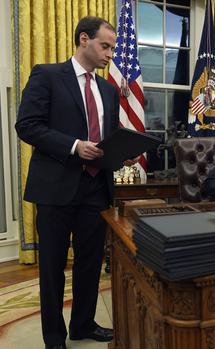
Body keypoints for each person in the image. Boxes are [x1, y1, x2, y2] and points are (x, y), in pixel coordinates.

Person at [15, 16, 132, 349]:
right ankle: (54, 337)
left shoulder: (109, 90)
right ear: (84, 39)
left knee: (91, 263)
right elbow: (27, 126)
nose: (110, 54)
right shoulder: (47, 75)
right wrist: (73, 146)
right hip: (56, 186)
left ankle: (83, 324)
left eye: (112, 47)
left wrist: (120, 152)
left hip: (96, 187)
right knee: (52, 267)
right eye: (105, 46)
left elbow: (106, 137)